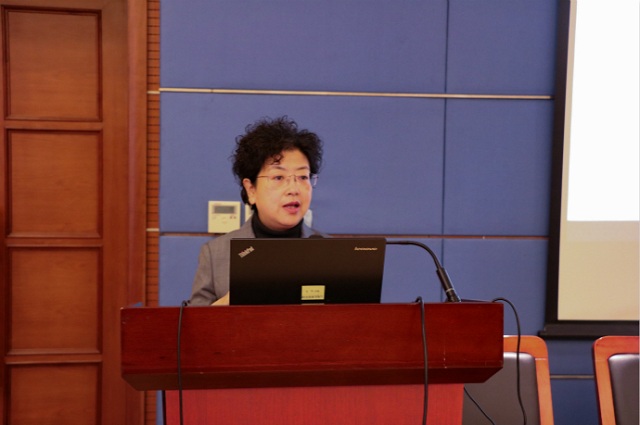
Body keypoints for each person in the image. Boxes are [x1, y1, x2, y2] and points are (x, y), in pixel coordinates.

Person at [188, 116, 326, 306]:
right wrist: (223, 307)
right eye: (278, 177)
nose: (294, 189)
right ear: (251, 189)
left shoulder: (332, 253)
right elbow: (195, 323)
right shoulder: (216, 254)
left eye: (303, 177)